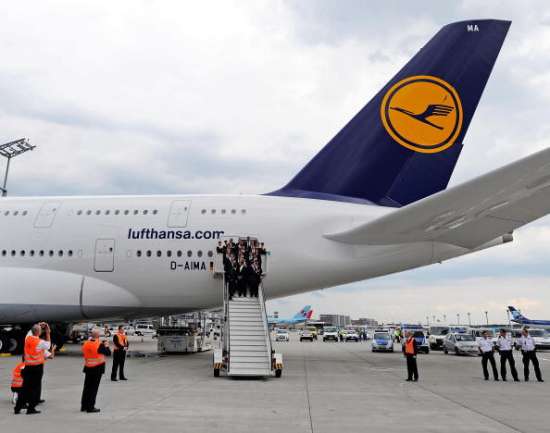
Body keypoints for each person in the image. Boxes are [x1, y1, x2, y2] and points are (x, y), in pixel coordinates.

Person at [14, 322, 52, 415]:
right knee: (35, 388)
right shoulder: (40, 342)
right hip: (37, 368)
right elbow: (48, 345)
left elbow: (30, 332)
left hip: (27, 366)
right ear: (39, 332)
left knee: (24, 387)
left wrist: (38, 324)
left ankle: (17, 408)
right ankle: (31, 408)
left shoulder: (28, 339)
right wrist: (48, 333)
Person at [81, 329, 112, 413]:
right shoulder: (99, 345)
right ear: (98, 336)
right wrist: (106, 345)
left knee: (86, 387)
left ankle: (84, 406)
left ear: (91, 335)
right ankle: (90, 407)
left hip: (88, 367)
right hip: (97, 369)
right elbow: (108, 353)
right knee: (93, 388)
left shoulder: (86, 343)